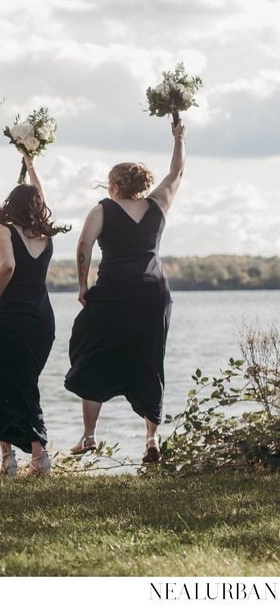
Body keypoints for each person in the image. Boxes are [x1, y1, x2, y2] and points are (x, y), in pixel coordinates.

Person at [64, 120, 186, 463]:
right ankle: (151, 438)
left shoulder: (103, 209)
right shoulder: (158, 204)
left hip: (114, 290)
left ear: (116, 184)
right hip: (153, 292)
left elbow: (83, 246)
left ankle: (89, 435)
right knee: (150, 359)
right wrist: (179, 138)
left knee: (91, 351)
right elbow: (176, 172)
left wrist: (82, 284)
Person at [0, 154, 70, 476]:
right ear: (39, 207)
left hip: (11, 317)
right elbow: (41, 197)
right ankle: (29, 459)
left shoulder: (3, 231)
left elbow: (8, 266)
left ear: (10, 204)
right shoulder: (45, 234)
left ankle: (20, 458)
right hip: (41, 320)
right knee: (22, 383)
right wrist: (32, 166)